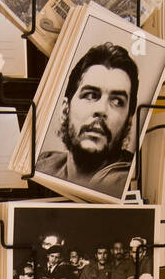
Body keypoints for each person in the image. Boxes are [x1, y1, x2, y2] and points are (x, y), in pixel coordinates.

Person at [35, 42, 139, 197]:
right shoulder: (41, 167)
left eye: (117, 101)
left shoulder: (137, 177)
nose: (101, 110)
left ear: (129, 120)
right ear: (65, 109)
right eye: (90, 95)